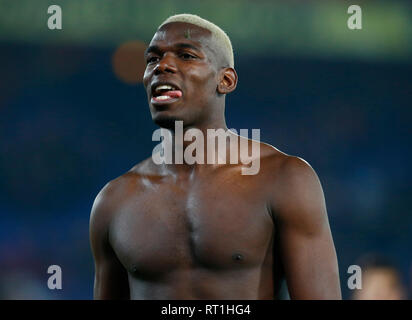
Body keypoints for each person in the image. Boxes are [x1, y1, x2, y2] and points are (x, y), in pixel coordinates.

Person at [89, 13, 341, 300]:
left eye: (185, 55)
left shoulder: (285, 179)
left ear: (226, 80)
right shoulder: (113, 201)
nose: (163, 66)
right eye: (152, 59)